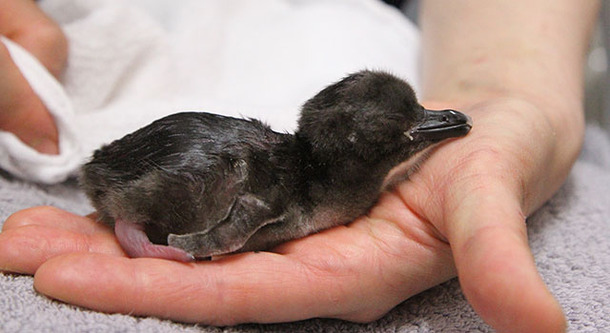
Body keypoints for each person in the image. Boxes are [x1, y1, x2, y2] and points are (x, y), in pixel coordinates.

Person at [0, 0, 600, 332]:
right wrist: (201, 243)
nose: (432, 127)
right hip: (132, 171)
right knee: (215, 178)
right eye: (404, 130)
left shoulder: (310, 166)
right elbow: (255, 209)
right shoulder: (299, 192)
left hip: (142, 159)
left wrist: (506, 85)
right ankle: (132, 221)